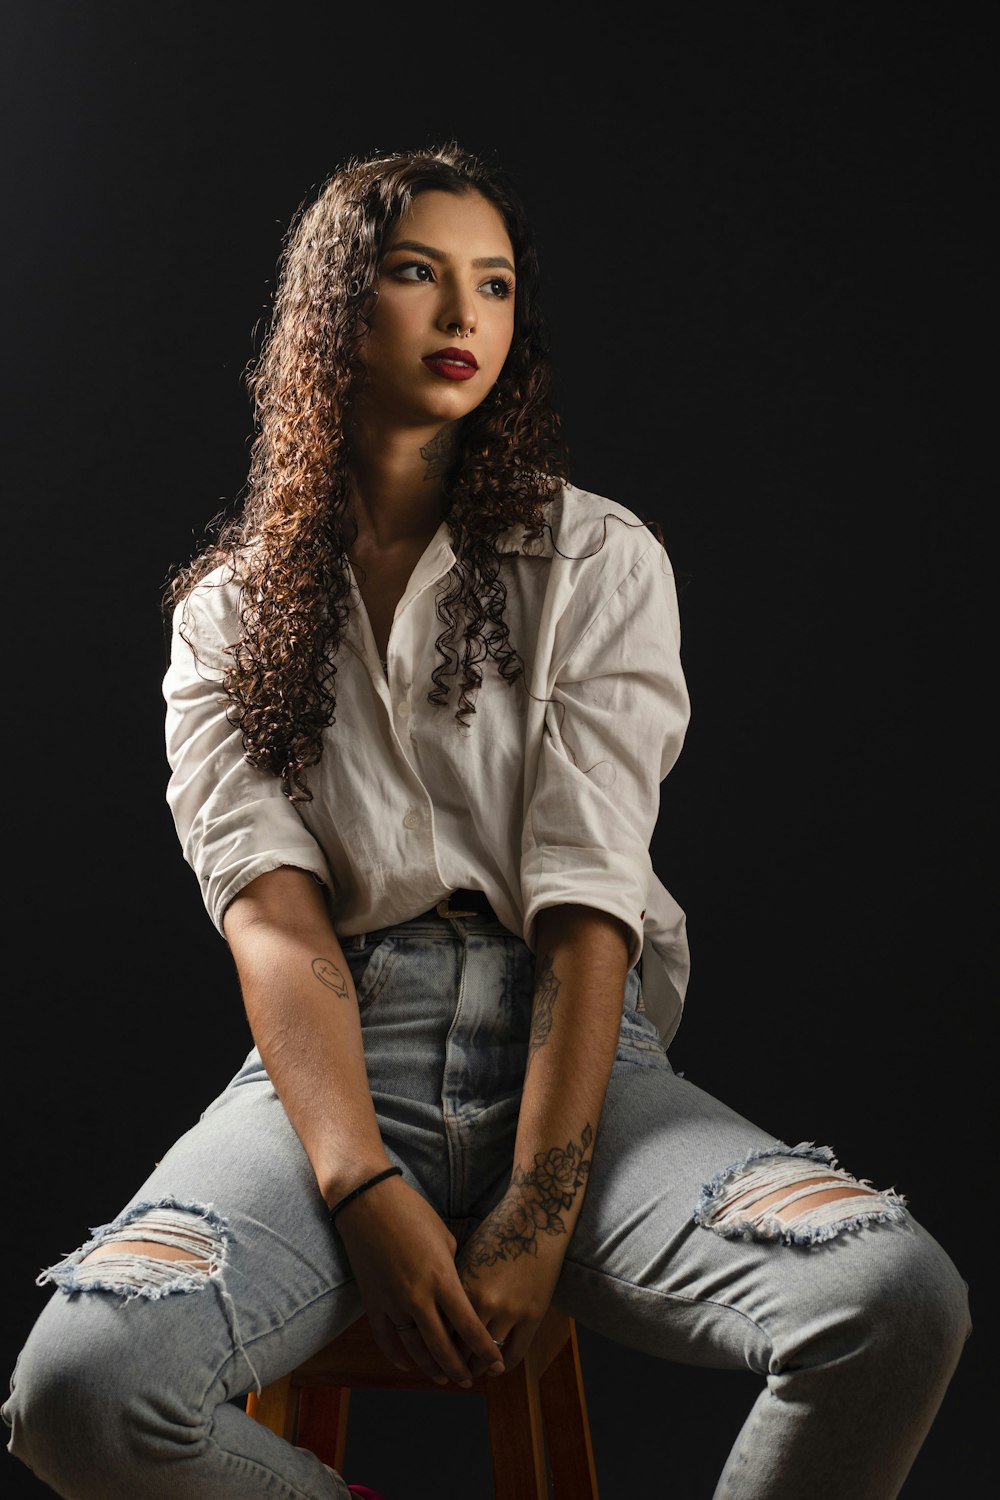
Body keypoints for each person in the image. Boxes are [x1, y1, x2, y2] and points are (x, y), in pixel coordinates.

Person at [3, 142, 970, 1500]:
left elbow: (590, 914)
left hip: (582, 1061)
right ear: (338, 303)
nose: (466, 317)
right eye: (417, 274)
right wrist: (358, 1184)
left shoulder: (597, 561)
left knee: (894, 1300)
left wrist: (540, 1207)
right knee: (77, 1393)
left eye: (495, 284)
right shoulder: (223, 615)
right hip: (335, 1067)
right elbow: (277, 927)